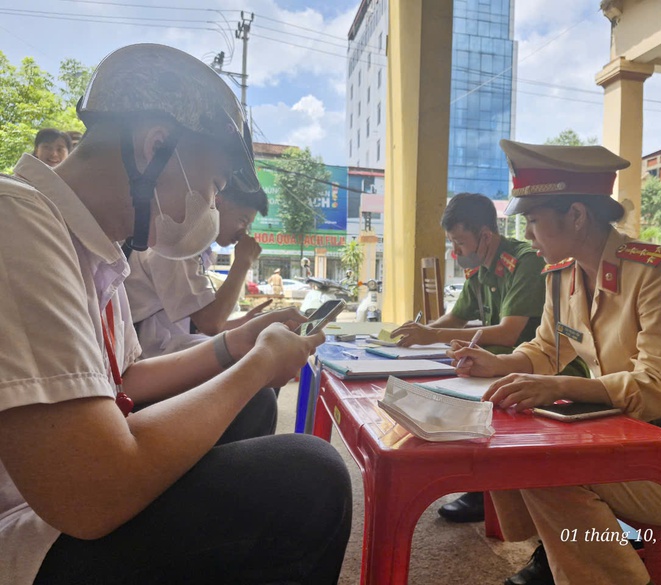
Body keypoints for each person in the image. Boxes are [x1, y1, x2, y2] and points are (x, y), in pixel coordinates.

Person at [0, 44, 351, 585]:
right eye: (211, 186)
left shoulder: (97, 249)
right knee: (312, 478)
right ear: (154, 145)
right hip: (27, 522)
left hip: (57, 498)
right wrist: (255, 367)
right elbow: (90, 496)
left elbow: (129, 379)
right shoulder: (15, 221)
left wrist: (239, 347)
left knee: (253, 410)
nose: (211, 207)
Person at [449, 140, 661, 585]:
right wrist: (497, 363)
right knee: (517, 446)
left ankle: (581, 566)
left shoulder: (658, 273)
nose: (527, 235)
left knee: (551, 468)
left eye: (533, 220)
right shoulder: (561, 279)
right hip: (624, 443)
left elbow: (660, 387)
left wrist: (561, 387)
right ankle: (566, 558)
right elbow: (546, 350)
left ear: (578, 215)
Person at [391, 192, 549, 523]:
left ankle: (484, 487)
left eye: (460, 242)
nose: (456, 252)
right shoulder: (479, 269)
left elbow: (509, 332)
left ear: (485, 236)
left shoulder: (524, 262)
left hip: (534, 369)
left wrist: (433, 335)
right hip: (497, 367)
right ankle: (482, 485)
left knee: (462, 396)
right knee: (444, 384)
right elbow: (455, 319)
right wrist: (420, 333)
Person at [125, 182, 271, 359]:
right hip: (144, 358)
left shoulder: (198, 251)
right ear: (217, 202)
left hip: (167, 351)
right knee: (260, 360)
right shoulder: (175, 245)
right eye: (242, 220)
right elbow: (211, 323)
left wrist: (244, 322)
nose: (244, 233)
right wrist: (242, 263)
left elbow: (200, 323)